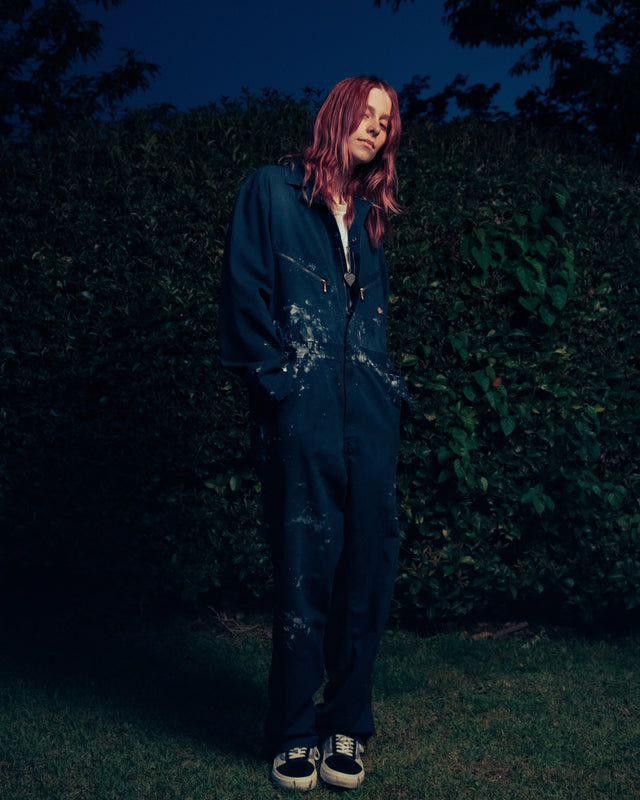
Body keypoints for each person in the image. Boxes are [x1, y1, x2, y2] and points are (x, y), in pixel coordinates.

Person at [219, 75, 409, 791]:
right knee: (305, 569)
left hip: (370, 411)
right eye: (366, 113)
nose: (376, 127)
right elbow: (243, 295)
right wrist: (281, 387)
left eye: (386, 121)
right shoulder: (271, 190)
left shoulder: (369, 214)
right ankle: (294, 731)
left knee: (369, 569)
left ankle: (347, 726)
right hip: (304, 411)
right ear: (337, 114)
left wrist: (385, 391)